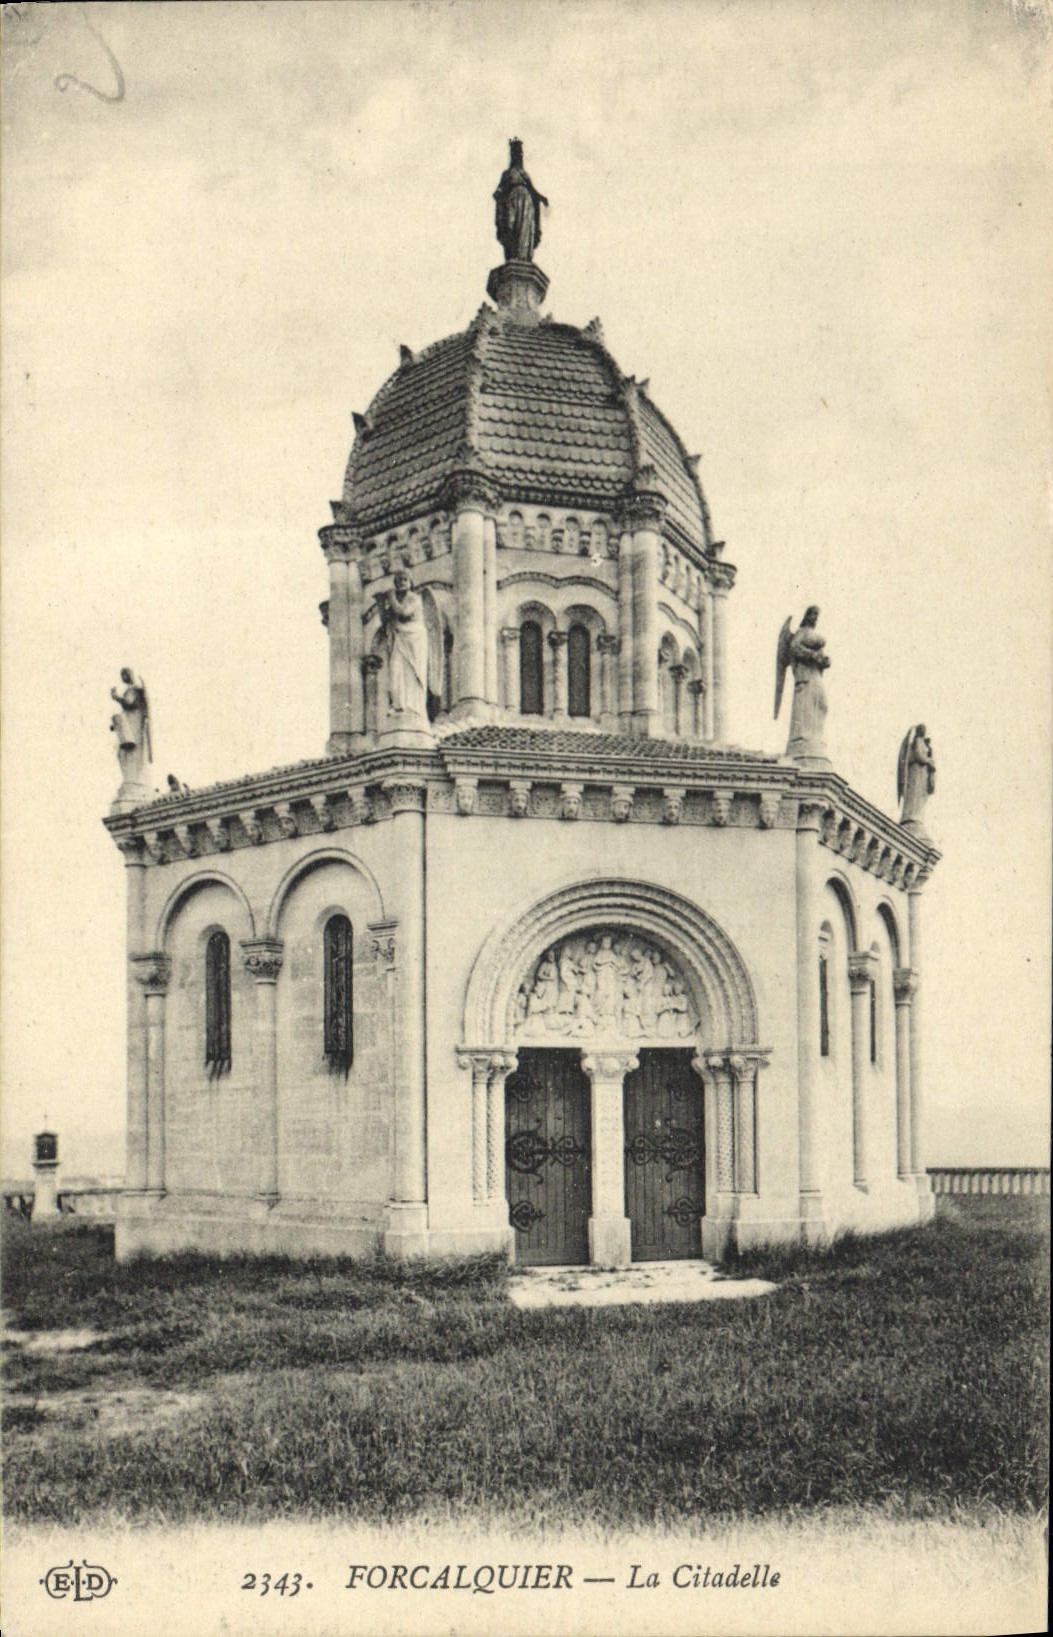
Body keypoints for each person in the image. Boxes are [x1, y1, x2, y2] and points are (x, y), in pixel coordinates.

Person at [775, 607, 830, 750]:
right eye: (812, 615)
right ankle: (803, 739)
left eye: (817, 616)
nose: (815, 618)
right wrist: (812, 655)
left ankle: (815, 739)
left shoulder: (812, 634)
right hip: (805, 676)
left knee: (822, 705)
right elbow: (794, 648)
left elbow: (819, 654)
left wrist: (823, 661)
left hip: (815, 673)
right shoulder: (800, 633)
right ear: (807, 616)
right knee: (807, 705)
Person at [377, 569, 429, 720]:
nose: (400, 582)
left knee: (411, 675)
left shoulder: (414, 599)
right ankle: (398, 705)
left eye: (404, 579)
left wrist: (391, 597)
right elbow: (386, 620)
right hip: (398, 640)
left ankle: (412, 707)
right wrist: (381, 604)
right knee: (395, 672)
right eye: (397, 580)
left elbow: (404, 613)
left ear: (410, 582)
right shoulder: (396, 602)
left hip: (413, 642)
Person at [493, 138, 548, 263]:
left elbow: (532, 190)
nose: (519, 156)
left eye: (520, 154)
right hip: (512, 202)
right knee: (512, 227)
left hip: (526, 203)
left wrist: (541, 198)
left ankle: (522, 256)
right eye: (517, 154)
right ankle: (513, 254)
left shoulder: (525, 174)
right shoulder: (507, 173)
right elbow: (499, 191)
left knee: (524, 229)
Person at [110, 668, 151, 784]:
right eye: (121, 675)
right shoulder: (130, 690)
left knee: (130, 753)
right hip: (128, 724)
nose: (123, 678)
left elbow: (129, 703)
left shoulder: (134, 690)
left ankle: (134, 780)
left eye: (124, 675)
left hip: (134, 725)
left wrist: (116, 697)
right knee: (122, 754)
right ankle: (129, 780)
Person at [898, 724, 936, 827]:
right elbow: (918, 754)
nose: (924, 731)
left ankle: (916, 817)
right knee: (913, 795)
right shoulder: (918, 741)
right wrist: (929, 761)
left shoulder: (925, 743)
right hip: (915, 772)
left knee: (919, 797)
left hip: (922, 774)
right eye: (922, 729)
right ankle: (910, 817)